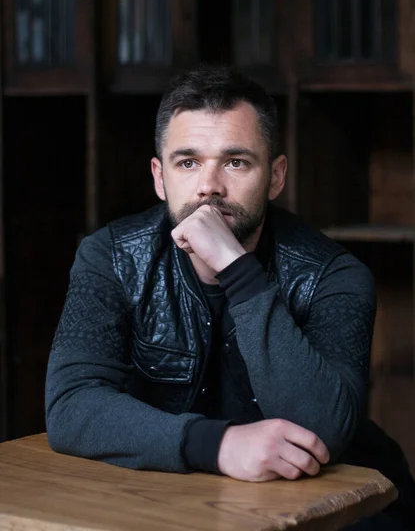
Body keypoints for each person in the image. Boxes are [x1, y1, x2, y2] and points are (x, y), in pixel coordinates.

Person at [45, 65, 415, 529]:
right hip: (178, 497)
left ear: (275, 177)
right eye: (188, 162)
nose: (209, 186)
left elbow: (325, 429)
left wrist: (236, 268)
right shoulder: (112, 258)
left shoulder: (334, 275)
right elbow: (71, 406)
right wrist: (217, 445)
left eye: (236, 162)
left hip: (339, 510)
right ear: (160, 178)